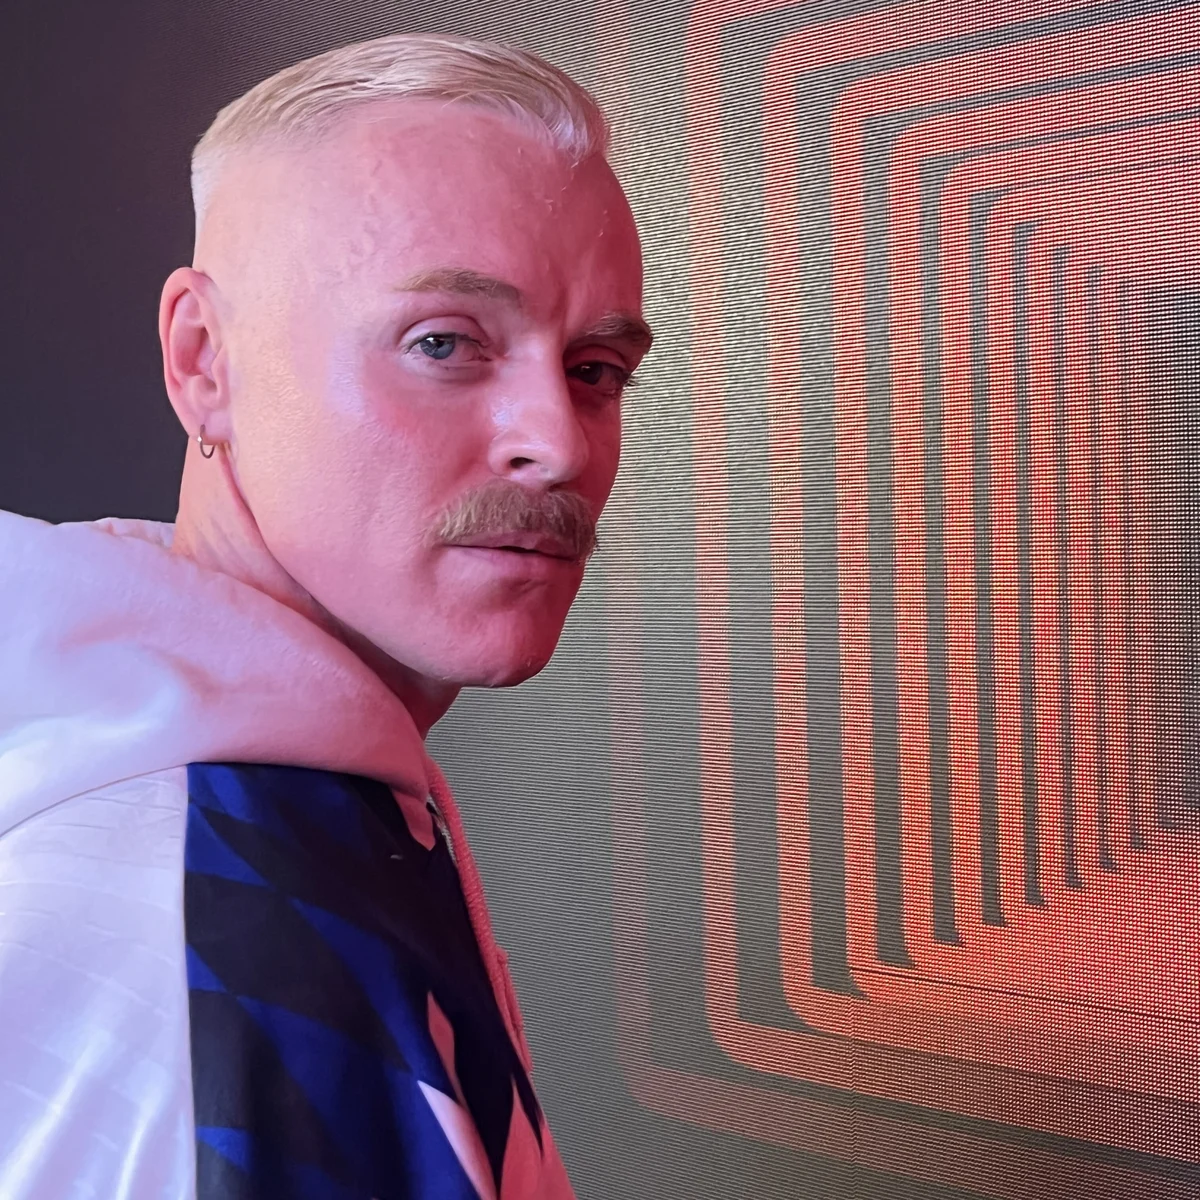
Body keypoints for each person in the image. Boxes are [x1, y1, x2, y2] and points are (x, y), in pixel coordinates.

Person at [0, 31, 652, 1200]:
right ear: (204, 362)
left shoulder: (284, 802)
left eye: (595, 369)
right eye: (444, 343)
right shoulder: (198, 927)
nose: (557, 443)